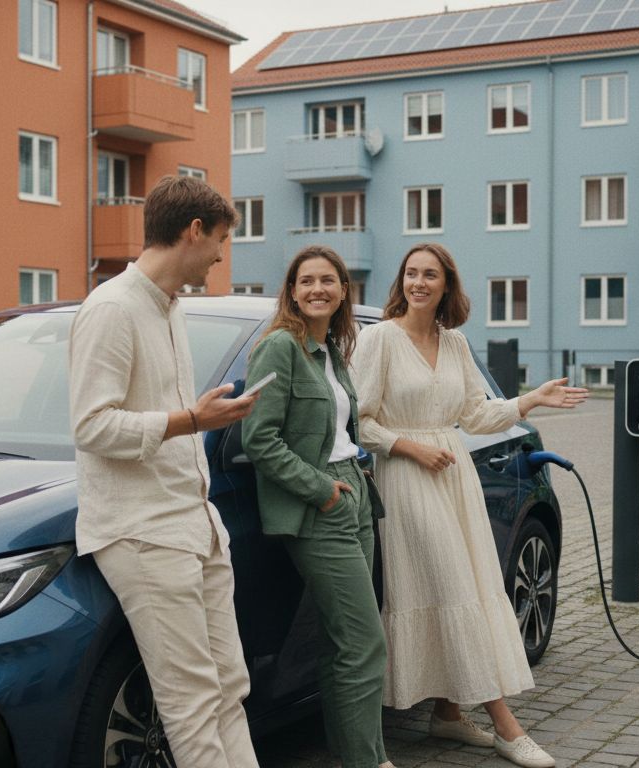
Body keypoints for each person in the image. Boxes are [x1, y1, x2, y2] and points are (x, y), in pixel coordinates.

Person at [353, 243, 588, 768]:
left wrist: (529, 400)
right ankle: (507, 726)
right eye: (410, 273)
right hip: (407, 476)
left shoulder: (454, 342)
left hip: (453, 476)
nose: (418, 282)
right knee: (452, 586)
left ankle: (448, 713)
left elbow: (477, 416)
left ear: (446, 285)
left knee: (470, 585)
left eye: (429, 274)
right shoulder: (379, 340)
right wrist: (409, 447)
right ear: (402, 281)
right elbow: (359, 421)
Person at [69, 175, 261, 768]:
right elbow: (92, 427)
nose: (223, 254)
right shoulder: (110, 309)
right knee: (191, 701)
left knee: (231, 685)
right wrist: (190, 419)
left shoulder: (171, 305)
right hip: (143, 533)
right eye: (221, 239)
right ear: (193, 230)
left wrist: (197, 418)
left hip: (196, 525)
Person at [242, 246, 396, 768]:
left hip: (355, 491)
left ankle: (360, 754)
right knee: (364, 641)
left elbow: (334, 427)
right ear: (291, 291)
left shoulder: (330, 348)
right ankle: (369, 761)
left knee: (341, 642)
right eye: (305, 281)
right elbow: (259, 440)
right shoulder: (279, 348)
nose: (317, 289)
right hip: (318, 504)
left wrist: (356, 464)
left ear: (342, 290)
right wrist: (322, 488)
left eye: (327, 280)